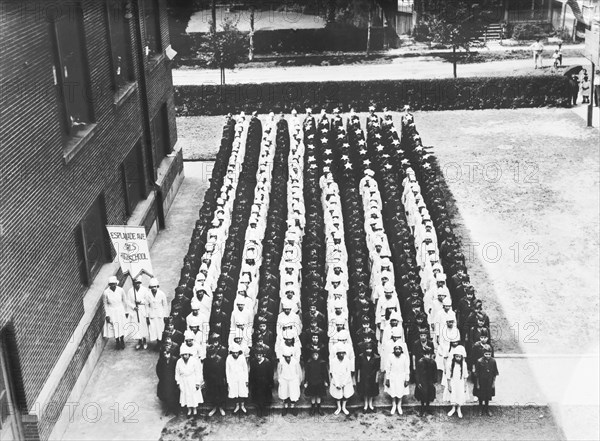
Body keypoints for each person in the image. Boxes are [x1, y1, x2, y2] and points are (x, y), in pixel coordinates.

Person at [176, 345, 203, 416]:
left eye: (186, 354)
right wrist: (178, 382)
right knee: (186, 395)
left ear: (189, 354)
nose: (185, 356)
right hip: (183, 380)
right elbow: (177, 373)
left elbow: (198, 372)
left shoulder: (194, 361)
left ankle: (194, 409)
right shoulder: (179, 362)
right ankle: (189, 409)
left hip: (192, 380)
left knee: (193, 395)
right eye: (183, 355)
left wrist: (197, 383)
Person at [125, 276, 149, 350]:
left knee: (143, 325)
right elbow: (128, 301)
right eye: (136, 283)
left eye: (139, 283)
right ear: (133, 283)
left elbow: (147, 300)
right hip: (135, 311)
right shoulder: (130, 291)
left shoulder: (145, 290)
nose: (137, 284)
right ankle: (139, 341)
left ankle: (144, 341)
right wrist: (133, 306)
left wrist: (140, 301)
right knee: (137, 326)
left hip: (142, 309)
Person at [329, 343, 354, 415]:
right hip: (337, 379)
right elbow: (333, 372)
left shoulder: (347, 361)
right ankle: (339, 407)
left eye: (343, 353)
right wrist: (337, 383)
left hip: (346, 380)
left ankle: (344, 407)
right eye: (340, 353)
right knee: (338, 394)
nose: (341, 355)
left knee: (346, 394)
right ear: (337, 354)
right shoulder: (333, 361)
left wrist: (344, 383)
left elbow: (348, 372)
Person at [385, 344, 410, 415]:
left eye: (399, 349)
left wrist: (407, 379)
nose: (397, 350)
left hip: (401, 377)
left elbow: (407, 369)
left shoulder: (404, 357)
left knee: (400, 391)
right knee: (393, 391)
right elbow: (388, 368)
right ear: (394, 350)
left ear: (401, 350)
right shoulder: (390, 357)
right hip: (393, 376)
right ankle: (394, 405)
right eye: (396, 349)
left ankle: (399, 405)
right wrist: (387, 378)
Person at [474, 344, 499, 416]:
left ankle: (487, 408)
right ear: (483, 353)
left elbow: (495, 373)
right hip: (481, 381)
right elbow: (477, 374)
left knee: (488, 395)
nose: (488, 356)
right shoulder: (479, 361)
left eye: (489, 354)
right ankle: (480, 408)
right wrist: (478, 384)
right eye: (486, 354)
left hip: (489, 381)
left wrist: (493, 383)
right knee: (481, 395)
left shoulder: (493, 361)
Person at [103, 276, 127, 349]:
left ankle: (122, 340)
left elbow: (124, 301)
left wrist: (126, 311)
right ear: (109, 285)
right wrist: (107, 315)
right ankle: (117, 341)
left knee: (121, 325)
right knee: (114, 326)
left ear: (116, 283)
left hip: (120, 310)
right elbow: (105, 304)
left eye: (114, 284)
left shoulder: (121, 290)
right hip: (112, 311)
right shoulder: (106, 292)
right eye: (111, 284)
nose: (112, 285)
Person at [444, 345, 468, 419]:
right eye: (456, 356)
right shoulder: (450, 364)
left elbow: (465, 376)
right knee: (453, 395)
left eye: (459, 357)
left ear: (461, 357)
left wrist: (464, 386)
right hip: (453, 382)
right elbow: (448, 376)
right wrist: (449, 385)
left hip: (460, 382)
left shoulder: (464, 364)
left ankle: (459, 409)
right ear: (454, 356)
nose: (458, 358)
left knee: (460, 395)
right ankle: (453, 408)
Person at [249, 351, 274, 417]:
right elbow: (251, 373)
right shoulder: (253, 362)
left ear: (263, 355)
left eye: (260, 355)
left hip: (265, 383)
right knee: (257, 397)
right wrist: (251, 382)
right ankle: (259, 410)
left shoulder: (267, 362)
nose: (258, 357)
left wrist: (271, 383)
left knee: (265, 396)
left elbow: (270, 374)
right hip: (256, 382)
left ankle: (264, 409)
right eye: (257, 355)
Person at [279, 346, 302, 416]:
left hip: (293, 380)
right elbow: (279, 371)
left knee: (293, 394)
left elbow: (298, 372)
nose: (287, 358)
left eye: (289, 357)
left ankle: (292, 408)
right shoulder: (281, 362)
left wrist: (298, 381)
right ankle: (285, 407)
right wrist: (280, 380)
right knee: (284, 394)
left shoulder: (295, 362)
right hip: (284, 379)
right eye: (286, 357)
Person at [226, 343, 249, 414]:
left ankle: (242, 406)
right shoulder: (229, 358)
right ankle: (237, 406)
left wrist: (246, 380)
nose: (235, 354)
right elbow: (227, 370)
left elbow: (245, 369)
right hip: (233, 378)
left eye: (237, 353)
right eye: (234, 353)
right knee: (235, 392)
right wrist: (228, 381)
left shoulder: (242, 357)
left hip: (241, 377)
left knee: (241, 392)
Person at [304, 350, 329, 416]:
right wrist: (306, 382)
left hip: (319, 381)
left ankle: (318, 408)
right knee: (312, 395)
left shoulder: (322, 363)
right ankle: (313, 408)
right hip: (311, 381)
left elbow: (325, 373)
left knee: (318, 395)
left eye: (316, 355)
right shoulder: (309, 363)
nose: (315, 356)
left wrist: (326, 381)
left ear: (318, 355)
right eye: (313, 355)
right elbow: (307, 374)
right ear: (311, 356)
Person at [156, 349, 180, 416]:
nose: (166, 356)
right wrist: (162, 378)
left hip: (173, 381)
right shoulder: (161, 360)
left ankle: (175, 409)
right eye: (164, 354)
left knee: (174, 395)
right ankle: (169, 408)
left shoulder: (175, 360)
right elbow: (158, 370)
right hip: (165, 381)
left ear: (170, 354)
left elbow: (178, 370)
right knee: (167, 395)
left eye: (167, 354)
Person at [356, 345, 380, 412]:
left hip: (373, 376)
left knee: (371, 391)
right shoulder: (361, 356)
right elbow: (358, 368)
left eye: (370, 349)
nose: (368, 350)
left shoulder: (376, 357)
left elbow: (377, 369)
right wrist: (358, 377)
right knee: (365, 391)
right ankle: (366, 405)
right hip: (364, 376)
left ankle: (370, 404)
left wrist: (376, 378)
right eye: (367, 349)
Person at [146, 278, 168, 349]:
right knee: (154, 329)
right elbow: (146, 306)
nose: (154, 288)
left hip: (160, 314)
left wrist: (165, 315)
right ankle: (158, 343)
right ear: (150, 287)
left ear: (157, 286)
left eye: (155, 286)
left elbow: (165, 305)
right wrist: (147, 316)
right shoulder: (148, 295)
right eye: (152, 287)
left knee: (160, 329)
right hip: (152, 314)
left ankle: (161, 343)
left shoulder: (161, 294)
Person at [414, 349, 437, 416]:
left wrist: (434, 380)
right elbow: (417, 373)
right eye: (426, 354)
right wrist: (418, 382)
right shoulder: (420, 362)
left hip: (429, 380)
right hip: (422, 381)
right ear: (423, 355)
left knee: (429, 394)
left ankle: (428, 407)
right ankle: (422, 407)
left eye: (429, 354)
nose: (427, 356)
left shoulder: (433, 362)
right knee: (422, 394)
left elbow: (435, 372)